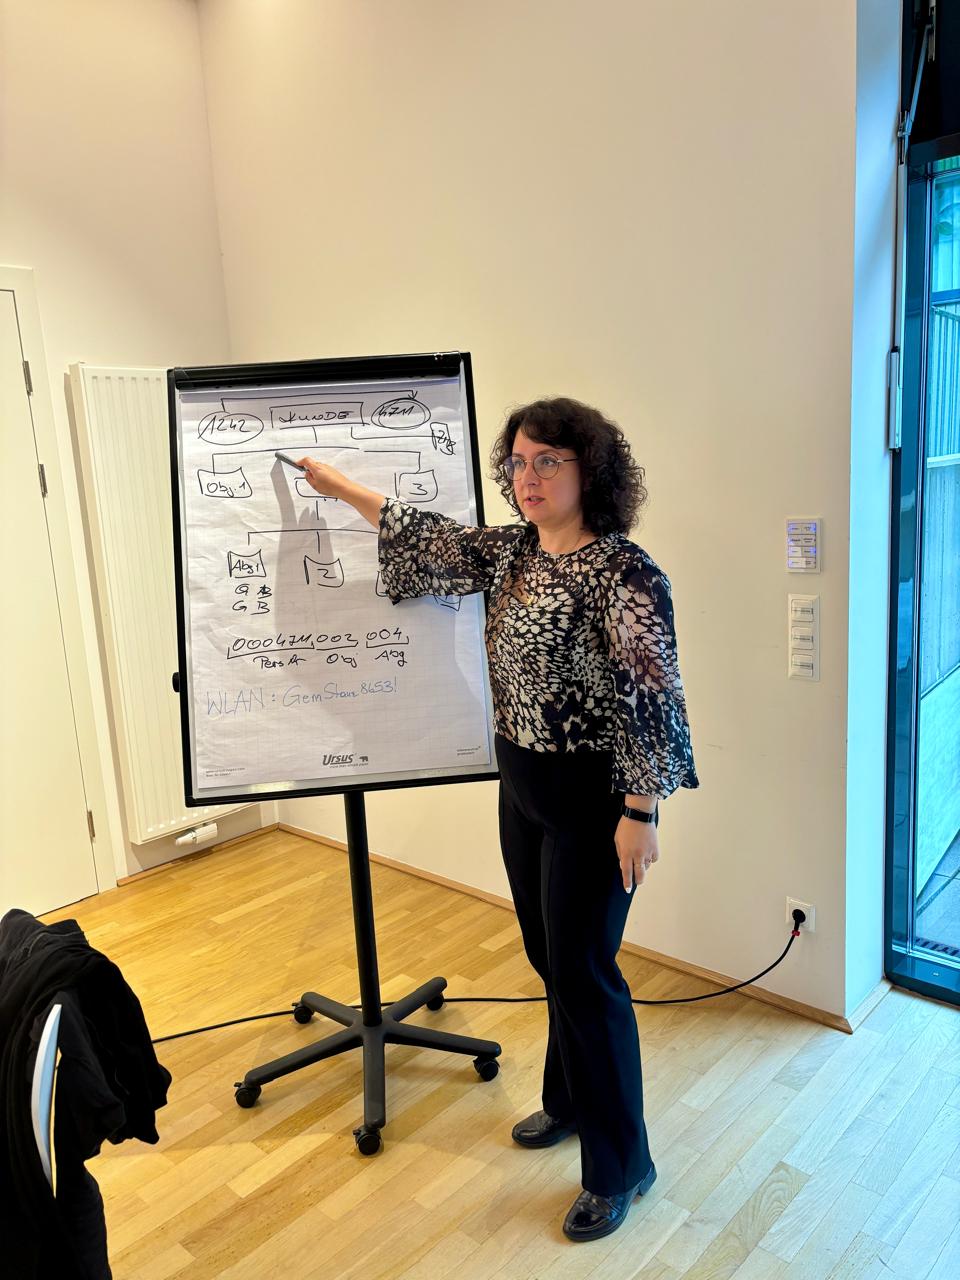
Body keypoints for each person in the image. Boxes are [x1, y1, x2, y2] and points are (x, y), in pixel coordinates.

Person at [297, 396, 698, 1242]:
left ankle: (623, 1166)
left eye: (547, 460)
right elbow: (428, 540)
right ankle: (569, 1101)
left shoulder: (623, 571)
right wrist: (340, 489)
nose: (528, 477)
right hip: (522, 788)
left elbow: (652, 697)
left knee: (586, 974)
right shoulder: (513, 551)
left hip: (595, 802)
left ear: (591, 469)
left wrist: (641, 809)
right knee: (550, 959)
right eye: (517, 462)